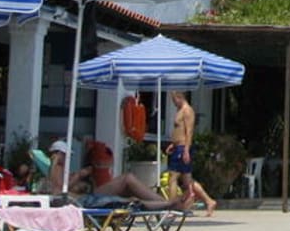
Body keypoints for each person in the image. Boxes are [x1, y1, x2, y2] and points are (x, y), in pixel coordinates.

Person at [46, 141, 187, 210]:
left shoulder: (60, 169)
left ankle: (166, 204)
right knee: (128, 191)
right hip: (87, 201)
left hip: (88, 197)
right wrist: (78, 175)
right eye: (65, 155)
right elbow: (59, 191)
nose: (68, 158)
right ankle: (167, 204)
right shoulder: (56, 168)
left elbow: (66, 187)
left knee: (128, 185)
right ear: (58, 154)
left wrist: (80, 181)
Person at [168, 90, 197, 205]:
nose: (173, 103)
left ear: (179, 97)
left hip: (182, 147)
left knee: (173, 177)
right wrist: (173, 144)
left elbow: (189, 131)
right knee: (187, 180)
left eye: (174, 100)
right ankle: (189, 202)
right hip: (178, 146)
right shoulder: (179, 110)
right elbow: (178, 130)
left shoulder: (187, 111)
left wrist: (186, 150)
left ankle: (171, 205)